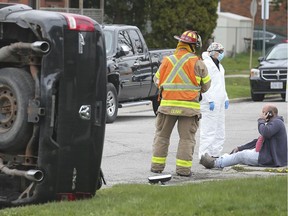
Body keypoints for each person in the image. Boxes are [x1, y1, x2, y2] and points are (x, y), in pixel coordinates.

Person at [150, 30, 211, 177]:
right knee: (186, 139)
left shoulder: (167, 60)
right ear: (193, 46)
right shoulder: (198, 63)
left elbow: (156, 80)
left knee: (162, 137)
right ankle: (183, 170)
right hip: (189, 109)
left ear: (180, 43)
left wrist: (169, 89)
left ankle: (157, 167)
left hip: (167, 108)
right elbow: (206, 85)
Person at [200, 103, 287, 169]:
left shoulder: (277, 123)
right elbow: (257, 140)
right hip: (266, 155)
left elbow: (265, 132)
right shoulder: (273, 123)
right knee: (238, 153)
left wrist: (261, 120)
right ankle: (218, 160)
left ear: (270, 114)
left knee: (241, 156)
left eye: (264, 112)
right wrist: (240, 147)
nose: (261, 114)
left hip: (270, 159)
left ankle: (215, 164)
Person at [198, 42, 229, 159]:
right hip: (209, 103)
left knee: (220, 129)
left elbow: (222, 84)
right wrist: (209, 99)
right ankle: (203, 155)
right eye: (220, 52)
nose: (222, 54)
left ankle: (215, 153)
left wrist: (225, 98)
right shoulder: (205, 64)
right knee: (208, 130)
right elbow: (204, 84)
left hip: (220, 101)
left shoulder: (220, 66)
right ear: (213, 52)